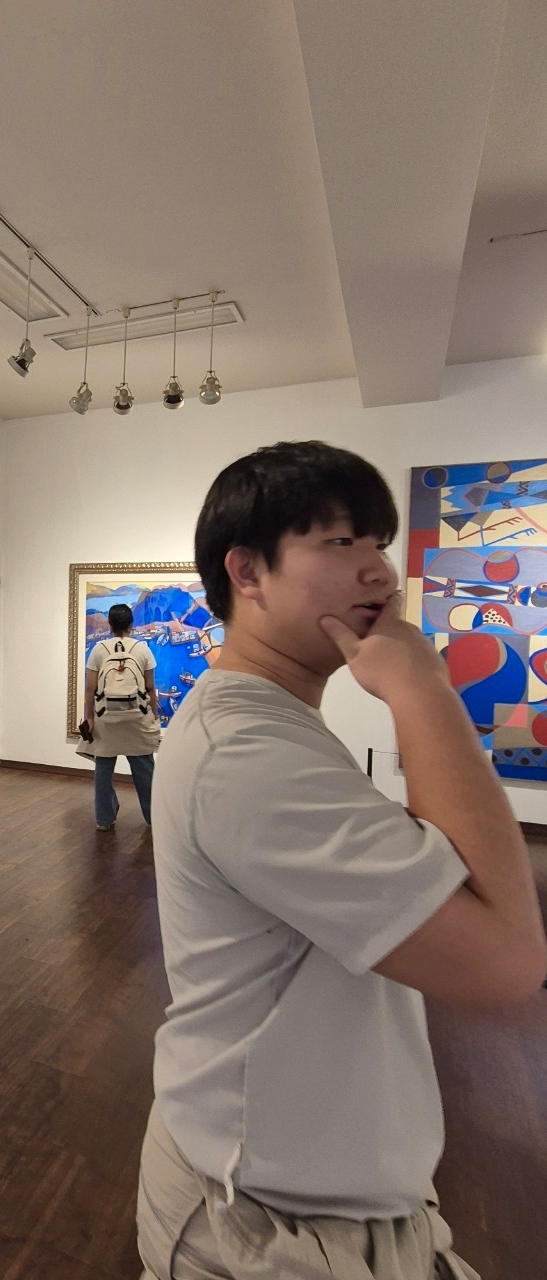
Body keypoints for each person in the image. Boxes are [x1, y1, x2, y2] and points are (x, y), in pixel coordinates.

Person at [137, 441, 547, 1280]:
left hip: (318, 1197)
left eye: (378, 543)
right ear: (247, 572)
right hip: (267, 1222)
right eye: (340, 541)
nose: (381, 573)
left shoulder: (270, 723)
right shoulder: (245, 752)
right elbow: (506, 963)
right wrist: (422, 689)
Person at [81, 603, 160, 830]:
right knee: (145, 771)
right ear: (131, 623)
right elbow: (150, 688)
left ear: (110, 624)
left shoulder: (98, 650)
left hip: (106, 718)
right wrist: (154, 715)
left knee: (103, 772)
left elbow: (90, 689)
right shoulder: (142, 649)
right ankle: (154, 819)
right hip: (137, 718)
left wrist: (89, 717)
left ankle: (104, 820)